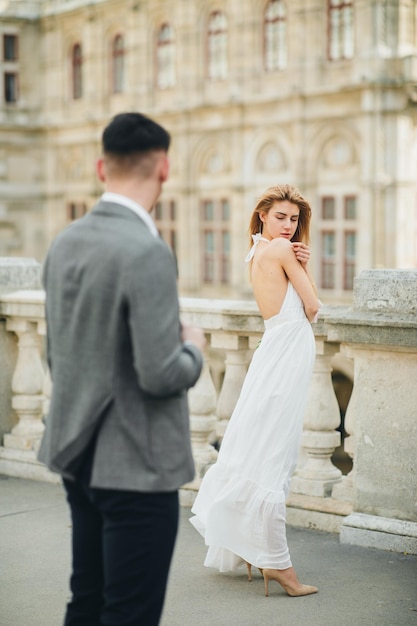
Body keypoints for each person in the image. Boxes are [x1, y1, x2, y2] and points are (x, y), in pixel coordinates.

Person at [38, 112, 206, 626]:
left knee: (85, 601)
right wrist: (194, 351)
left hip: (76, 453)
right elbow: (159, 373)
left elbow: (57, 353)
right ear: (164, 167)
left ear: (100, 167)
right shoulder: (148, 251)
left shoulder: (64, 241)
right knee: (129, 613)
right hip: (136, 465)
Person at [190, 184, 320, 598]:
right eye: (280, 217)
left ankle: (253, 552)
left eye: (294, 219)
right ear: (262, 214)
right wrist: (305, 262)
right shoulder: (282, 251)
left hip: (273, 348)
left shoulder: (256, 251)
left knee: (258, 443)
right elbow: (313, 306)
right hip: (288, 349)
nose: (288, 225)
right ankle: (278, 565)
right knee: (275, 451)